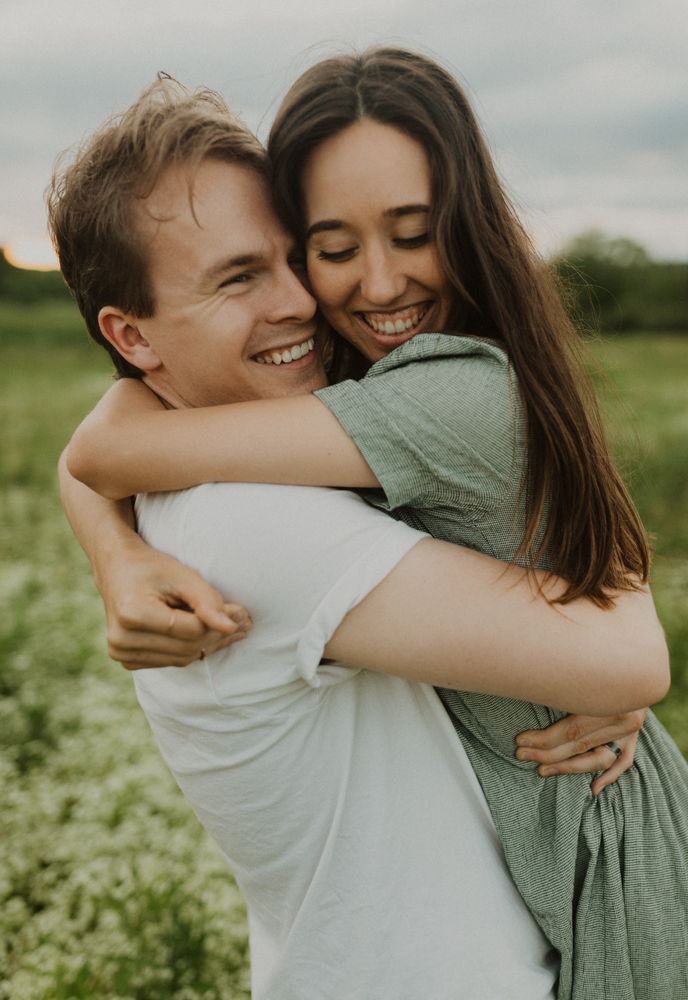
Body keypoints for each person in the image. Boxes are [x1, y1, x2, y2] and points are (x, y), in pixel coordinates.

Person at [57, 59, 688, 998]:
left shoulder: (425, 402)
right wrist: (115, 551)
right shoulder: (249, 515)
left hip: (581, 867)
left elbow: (104, 449)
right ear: (132, 336)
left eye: (413, 233)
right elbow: (106, 448)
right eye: (326, 247)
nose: (313, 299)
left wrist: (114, 543)